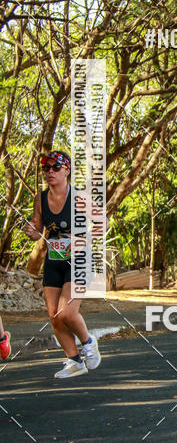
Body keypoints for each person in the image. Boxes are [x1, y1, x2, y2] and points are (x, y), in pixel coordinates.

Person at [24, 151, 102, 378]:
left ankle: (88, 342)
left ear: (66, 170)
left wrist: (85, 239)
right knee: (54, 316)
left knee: (67, 312)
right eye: (46, 168)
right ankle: (74, 361)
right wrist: (32, 231)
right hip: (54, 260)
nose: (49, 172)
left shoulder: (79, 197)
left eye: (55, 167)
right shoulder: (40, 198)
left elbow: (102, 222)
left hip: (78, 260)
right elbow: (38, 232)